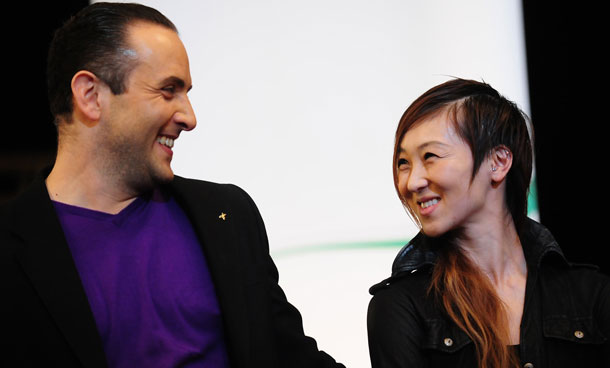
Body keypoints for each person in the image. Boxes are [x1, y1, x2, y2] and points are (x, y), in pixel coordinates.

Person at [0, 3, 345, 367]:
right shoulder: (10, 249)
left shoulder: (226, 215)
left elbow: (293, 358)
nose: (189, 117)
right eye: (168, 90)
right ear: (90, 95)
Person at [367, 78, 610, 367]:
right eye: (403, 163)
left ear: (498, 162)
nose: (411, 181)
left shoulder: (591, 295)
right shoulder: (400, 306)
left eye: (430, 156)